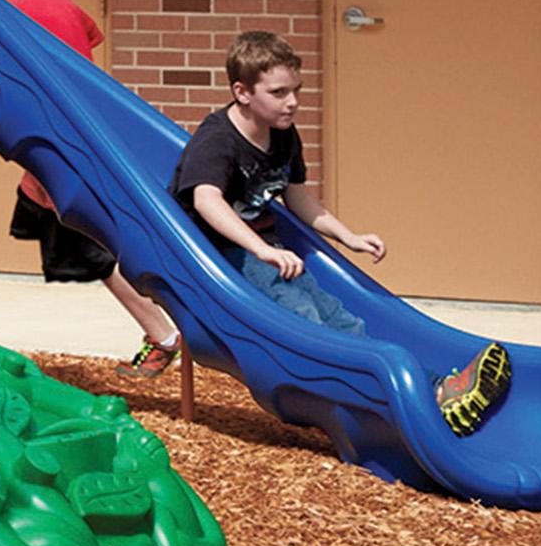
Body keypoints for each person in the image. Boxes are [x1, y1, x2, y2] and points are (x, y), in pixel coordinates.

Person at [172, 29, 509, 435]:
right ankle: (387, 403)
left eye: (296, 90)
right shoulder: (217, 140)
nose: (292, 102)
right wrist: (262, 250)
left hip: (270, 251)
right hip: (219, 254)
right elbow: (207, 200)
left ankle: (433, 390)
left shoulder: (283, 135)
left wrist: (348, 236)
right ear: (242, 92)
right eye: (279, 93)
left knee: (341, 318)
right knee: (305, 318)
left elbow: (297, 198)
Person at [0, 0, 185, 373]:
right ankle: (161, 328)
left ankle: (164, 331)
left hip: (65, 151)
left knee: (97, 247)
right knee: (72, 237)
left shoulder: (20, 8)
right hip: (59, 152)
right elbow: (89, 31)